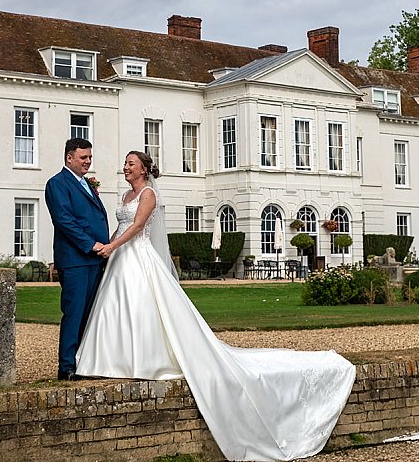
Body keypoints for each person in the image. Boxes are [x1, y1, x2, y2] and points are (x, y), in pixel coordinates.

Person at [76, 151, 356, 461]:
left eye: (130, 163)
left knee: (143, 310)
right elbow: (121, 226)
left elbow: (138, 226)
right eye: (125, 162)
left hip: (138, 258)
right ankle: (111, 359)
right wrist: (109, 249)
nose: (125, 167)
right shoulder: (127, 192)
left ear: (143, 169)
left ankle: (145, 359)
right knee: (116, 310)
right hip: (122, 260)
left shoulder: (148, 193)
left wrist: (113, 245)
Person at [45, 138, 109, 381]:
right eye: (83, 157)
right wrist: (91, 244)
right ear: (69, 157)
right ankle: (67, 367)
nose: (88, 161)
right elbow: (64, 221)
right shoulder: (57, 184)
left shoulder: (87, 184)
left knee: (89, 314)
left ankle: (84, 362)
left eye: (90, 157)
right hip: (75, 260)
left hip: (95, 259)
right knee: (74, 312)